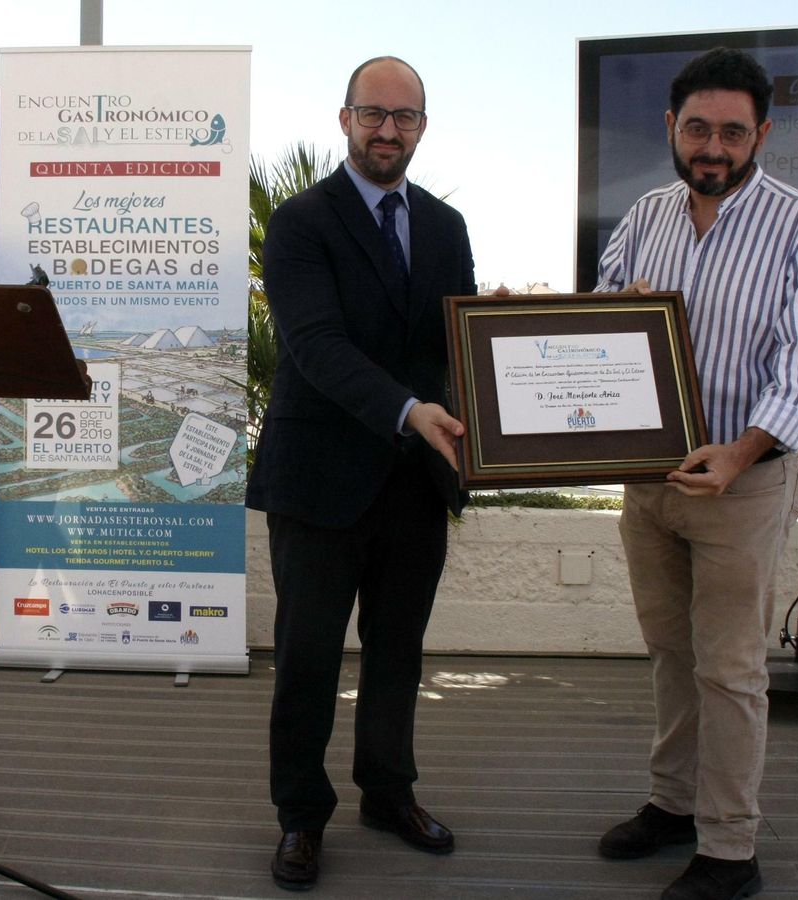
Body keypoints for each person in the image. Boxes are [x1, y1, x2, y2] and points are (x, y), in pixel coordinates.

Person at [591, 48, 798, 900]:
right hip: (651, 482)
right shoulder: (645, 216)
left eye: (733, 132)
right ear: (672, 127)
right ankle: (673, 803)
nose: (713, 148)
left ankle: (730, 849)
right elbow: (596, 325)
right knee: (670, 652)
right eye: (698, 128)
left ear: (761, 135)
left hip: (744, 482)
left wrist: (738, 454)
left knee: (730, 670)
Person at [245, 55, 474, 892]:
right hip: (319, 480)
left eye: (404, 117)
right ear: (344, 119)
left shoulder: (446, 225)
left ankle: (388, 793)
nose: (388, 130)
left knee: (397, 652)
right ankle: (301, 816)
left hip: (416, 482)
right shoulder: (301, 222)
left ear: (422, 127)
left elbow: (459, 343)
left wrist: (502, 385)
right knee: (306, 658)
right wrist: (411, 411)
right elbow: (315, 345)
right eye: (373, 113)